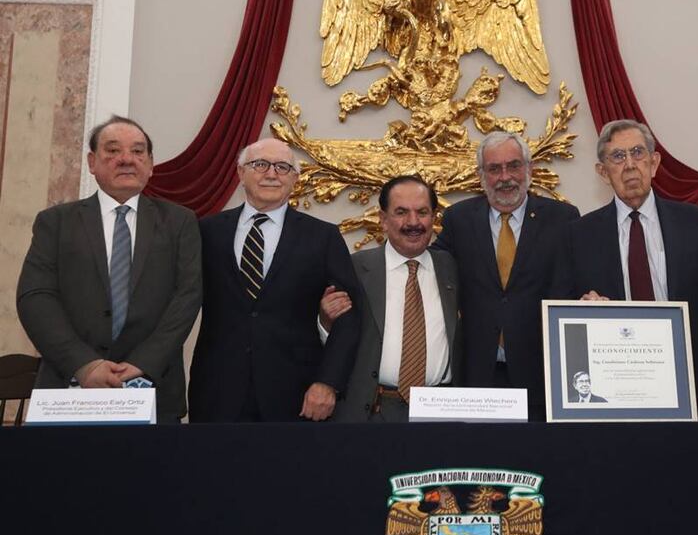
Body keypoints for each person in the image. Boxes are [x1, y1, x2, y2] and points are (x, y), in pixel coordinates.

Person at [17, 115, 202, 422]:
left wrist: (144, 362)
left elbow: (188, 296)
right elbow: (35, 297)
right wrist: (84, 364)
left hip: (154, 387)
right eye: (113, 150)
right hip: (68, 387)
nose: (127, 159)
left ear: (151, 164)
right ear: (92, 162)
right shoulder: (56, 222)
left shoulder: (180, 222)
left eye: (138, 151)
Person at [559, 119, 698, 420]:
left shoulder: (696, 225)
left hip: (687, 384)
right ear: (603, 172)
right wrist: (583, 308)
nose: (630, 165)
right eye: (617, 157)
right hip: (614, 394)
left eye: (638, 153)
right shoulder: (579, 235)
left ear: (655, 162)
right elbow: (566, 317)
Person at [188, 137, 361, 422]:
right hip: (217, 389)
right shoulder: (206, 231)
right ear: (240, 172)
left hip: (296, 394)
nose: (271, 174)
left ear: (295, 179)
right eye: (260, 164)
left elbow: (349, 317)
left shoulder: (323, 237)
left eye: (282, 167)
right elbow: (181, 301)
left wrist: (328, 382)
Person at [430, 131, 579, 420]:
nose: (505, 177)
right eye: (494, 168)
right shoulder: (459, 219)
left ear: (529, 168)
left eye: (513, 165)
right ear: (481, 175)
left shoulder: (563, 219)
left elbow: (579, 279)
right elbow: (430, 267)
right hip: (477, 374)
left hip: (541, 375)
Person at [330, 176, 461, 422]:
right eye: (401, 212)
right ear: (383, 219)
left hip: (441, 411)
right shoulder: (356, 268)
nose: (413, 222)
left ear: (434, 218)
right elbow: (338, 338)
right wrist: (326, 320)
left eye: (422, 212)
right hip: (374, 411)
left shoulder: (452, 268)